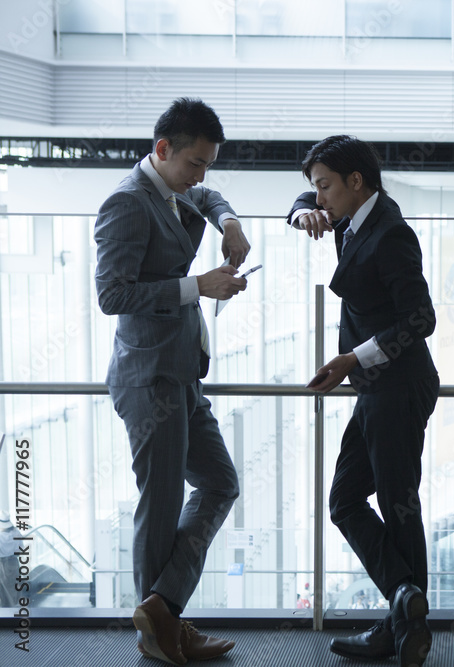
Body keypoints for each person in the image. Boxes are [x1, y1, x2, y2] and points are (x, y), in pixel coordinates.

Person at [94, 97, 249, 665]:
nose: (201, 176)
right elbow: (112, 295)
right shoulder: (126, 205)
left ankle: (161, 608)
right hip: (149, 378)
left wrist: (228, 219)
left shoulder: (176, 187)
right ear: (162, 150)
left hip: (184, 375)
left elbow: (207, 197)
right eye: (195, 164)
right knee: (159, 509)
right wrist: (197, 287)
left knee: (220, 482)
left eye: (209, 164)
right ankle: (160, 631)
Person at [288, 135, 439, 667]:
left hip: (397, 386)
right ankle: (404, 603)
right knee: (346, 501)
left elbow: (422, 319)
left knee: (399, 505)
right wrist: (302, 210)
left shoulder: (391, 234)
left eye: (324, 187)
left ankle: (403, 619)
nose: (318, 198)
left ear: (356, 182)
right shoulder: (355, 215)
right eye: (315, 189)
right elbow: (303, 205)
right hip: (376, 389)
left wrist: (355, 357)